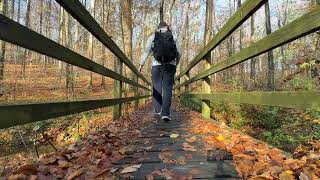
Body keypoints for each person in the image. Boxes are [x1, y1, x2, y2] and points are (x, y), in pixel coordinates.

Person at [139, 21, 181, 121]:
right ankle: (165, 113)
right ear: (167, 27)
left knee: (156, 87)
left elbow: (146, 51)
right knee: (167, 89)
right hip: (170, 65)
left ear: (158, 27)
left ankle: (157, 110)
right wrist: (176, 63)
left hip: (156, 66)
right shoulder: (173, 35)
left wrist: (141, 65)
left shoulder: (153, 36)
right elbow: (179, 52)